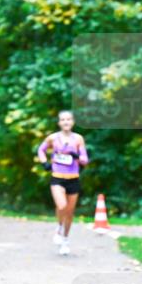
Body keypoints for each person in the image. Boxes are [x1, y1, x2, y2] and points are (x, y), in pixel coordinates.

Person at [36, 110, 89, 256]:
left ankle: (65, 239)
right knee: (62, 206)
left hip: (73, 178)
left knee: (70, 213)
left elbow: (85, 159)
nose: (66, 122)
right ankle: (59, 227)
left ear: (72, 122)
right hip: (57, 177)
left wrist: (77, 156)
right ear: (59, 122)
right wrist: (44, 163)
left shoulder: (78, 139)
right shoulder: (53, 138)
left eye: (68, 119)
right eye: (63, 120)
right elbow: (41, 150)